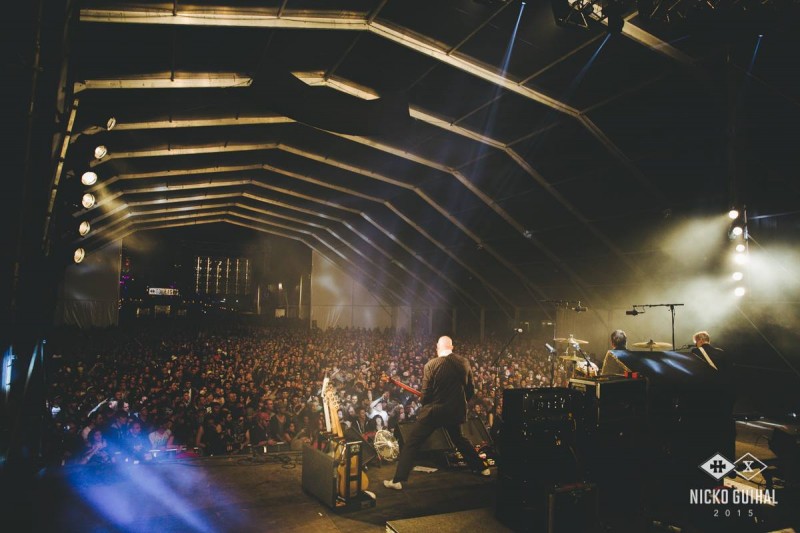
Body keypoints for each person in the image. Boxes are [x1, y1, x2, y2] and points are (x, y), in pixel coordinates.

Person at [384, 336, 489, 491]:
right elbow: (470, 390)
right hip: (454, 412)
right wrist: (457, 403)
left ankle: (397, 480)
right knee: (459, 439)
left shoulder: (431, 365)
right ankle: (481, 468)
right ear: (451, 347)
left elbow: (426, 395)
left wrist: (426, 402)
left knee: (412, 442)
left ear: (438, 348)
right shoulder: (464, 362)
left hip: (435, 412)